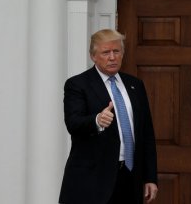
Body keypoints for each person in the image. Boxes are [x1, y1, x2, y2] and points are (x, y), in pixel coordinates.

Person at [59, 29, 158, 204]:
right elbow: (73, 123)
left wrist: (150, 177)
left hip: (130, 177)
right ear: (93, 56)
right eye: (106, 52)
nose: (112, 57)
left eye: (116, 51)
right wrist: (97, 120)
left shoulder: (135, 85)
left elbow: (146, 134)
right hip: (93, 180)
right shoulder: (78, 84)